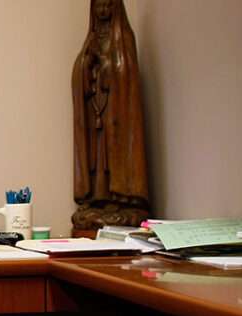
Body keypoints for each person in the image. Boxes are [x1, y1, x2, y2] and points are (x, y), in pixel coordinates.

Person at [72, 0, 149, 231]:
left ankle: (122, 198)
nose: (102, 11)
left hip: (117, 115)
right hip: (96, 110)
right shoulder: (92, 40)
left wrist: (106, 65)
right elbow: (78, 74)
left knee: (114, 155)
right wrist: (86, 63)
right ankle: (98, 197)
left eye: (107, 6)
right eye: (98, 6)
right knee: (96, 159)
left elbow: (125, 72)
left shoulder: (124, 38)